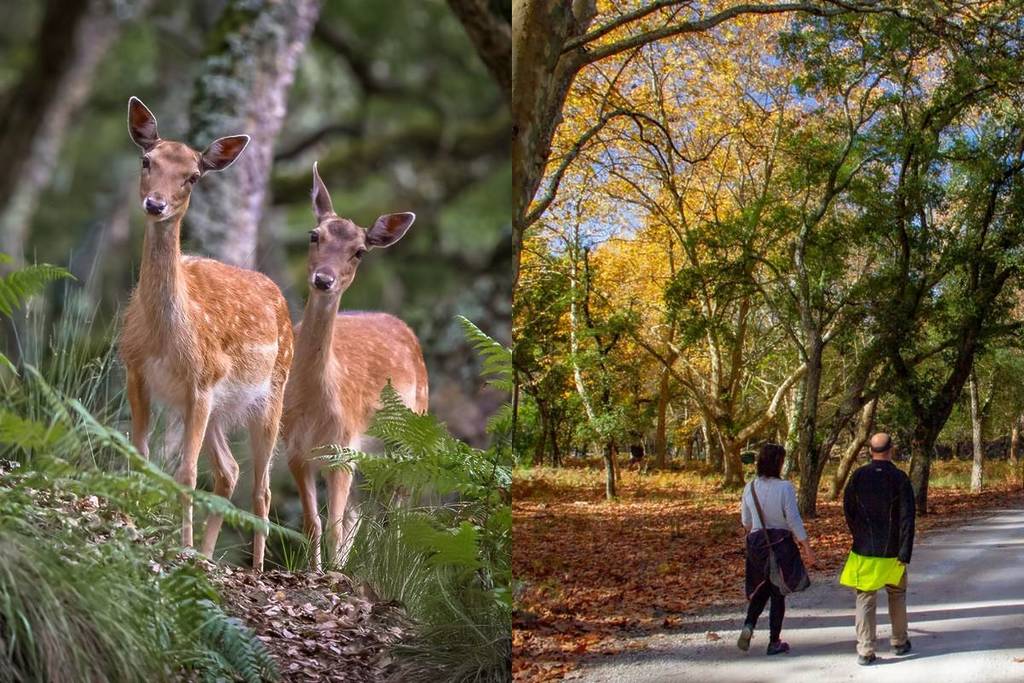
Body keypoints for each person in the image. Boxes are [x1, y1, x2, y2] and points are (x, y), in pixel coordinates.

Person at [840, 432, 916, 665]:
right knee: (897, 594)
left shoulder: (858, 477)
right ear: (891, 450)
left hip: (864, 549)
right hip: (892, 550)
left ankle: (865, 649)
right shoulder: (900, 478)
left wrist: (859, 535)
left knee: (865, 597)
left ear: (870, 451)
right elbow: (907, 519)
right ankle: (899, 641)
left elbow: (849, 510)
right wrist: (905, 552)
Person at [738, 443, 816, 656]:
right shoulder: (785, 488)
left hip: (755, 543)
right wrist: (807, 546)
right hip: (780, 544)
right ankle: (774, 641)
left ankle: (749, 624)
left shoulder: (749, 487)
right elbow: (792, 518)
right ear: (778, 463)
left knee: (761, 586)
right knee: (778, 592)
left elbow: (745, 521)